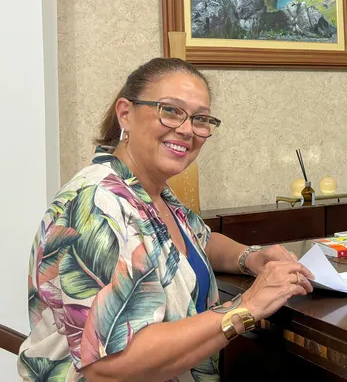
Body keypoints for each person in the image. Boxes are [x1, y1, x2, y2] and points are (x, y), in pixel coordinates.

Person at [18, 58, 314, 381]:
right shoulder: (96, 204)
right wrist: (246, 308)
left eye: (200, 119)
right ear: (125, 114)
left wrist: (251, 257)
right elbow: (110, 366)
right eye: (170, 110)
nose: (187, 130)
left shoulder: (151, 193)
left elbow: (197, 241)